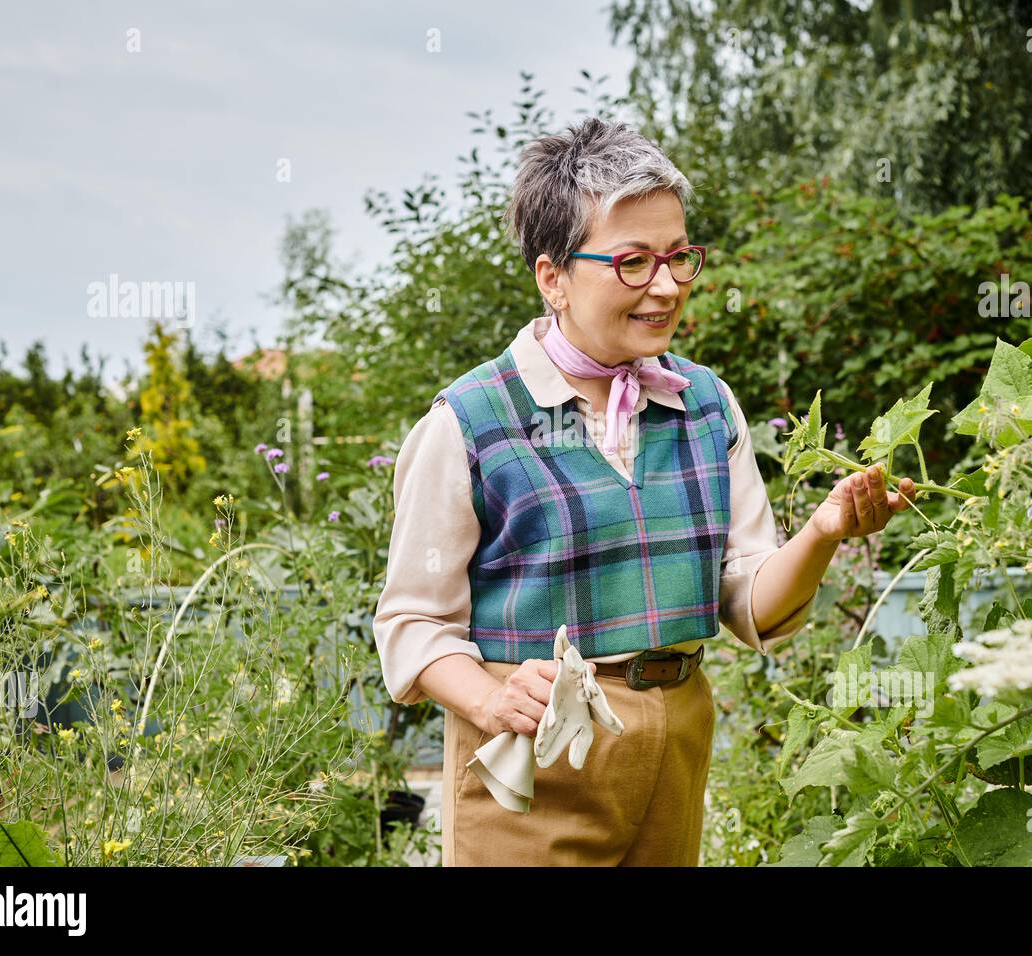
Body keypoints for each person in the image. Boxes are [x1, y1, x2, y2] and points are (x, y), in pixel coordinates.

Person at [372, 117, 917, 866]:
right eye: (632, 263)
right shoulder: (468, 424)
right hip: (533, 767)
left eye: (678, 258)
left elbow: (747, 600)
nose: (665, 287)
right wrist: (487, 699)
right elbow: (412, 623)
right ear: (552, 277)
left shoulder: (704, 403)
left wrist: (821, 533)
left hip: (673, 751)